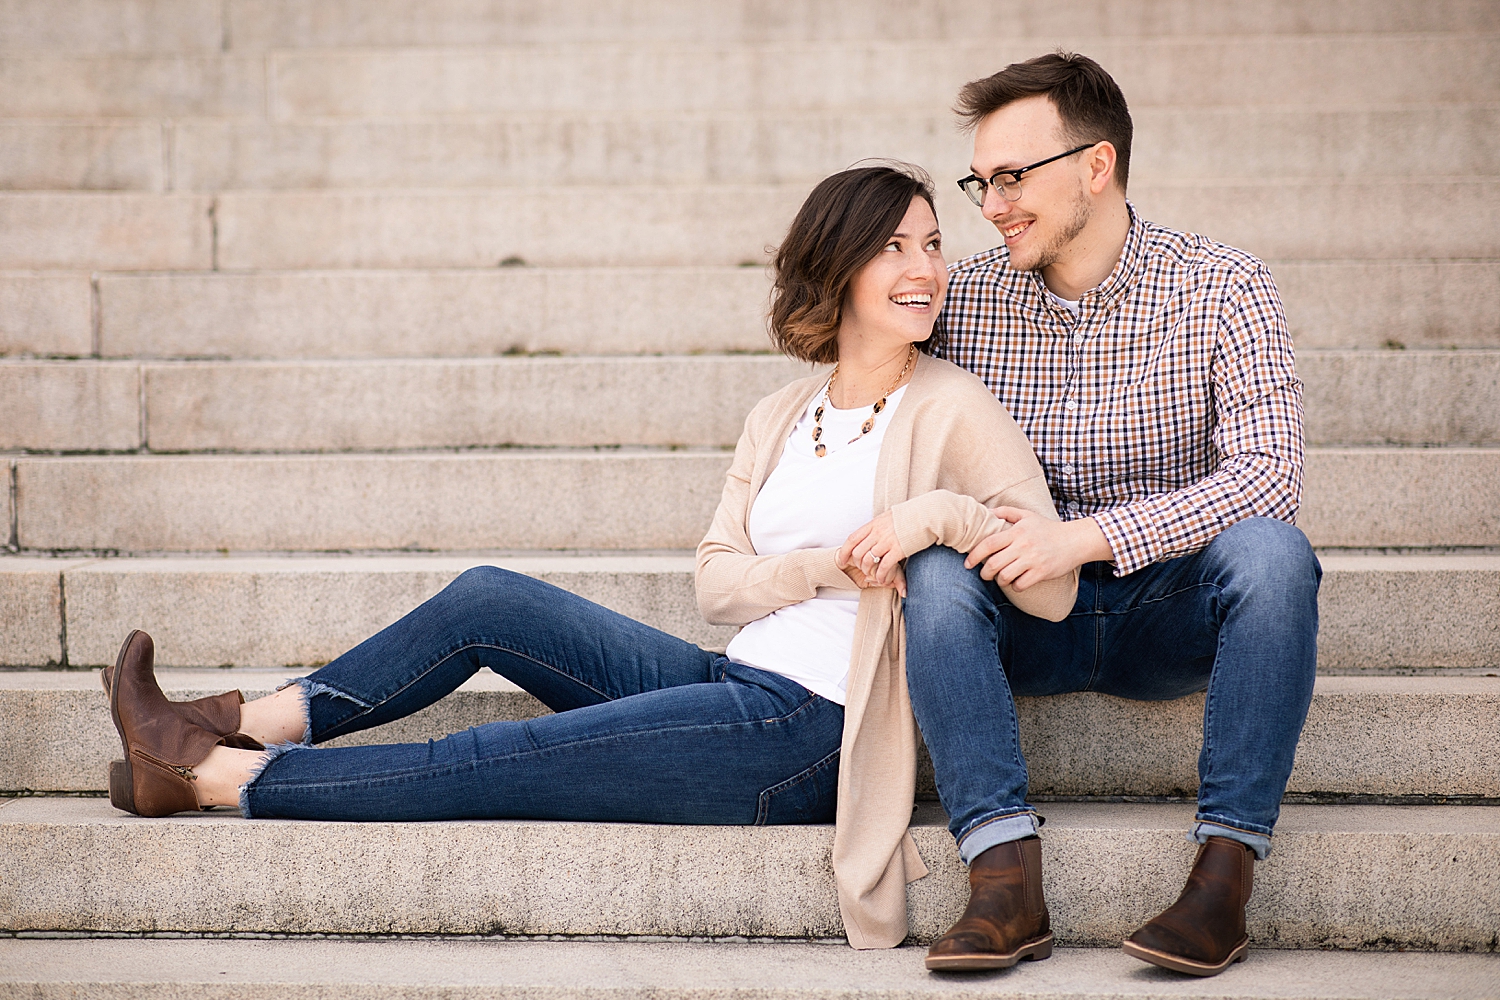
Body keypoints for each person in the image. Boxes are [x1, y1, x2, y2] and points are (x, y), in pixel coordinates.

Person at [101, 164, 1077, 952]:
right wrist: (829, 565)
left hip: (808, 736)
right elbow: (715, 584)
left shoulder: (952, 405)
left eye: (935, 244)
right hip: (731, 678)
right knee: (487, 599)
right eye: (896, 246)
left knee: (496, 755)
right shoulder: (781, 416)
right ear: (839, 270)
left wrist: (936, 515)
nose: (927, 267)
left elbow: (1055, 585)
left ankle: (211, 776)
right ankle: (237, 718)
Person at [904, 52, 1319, 977]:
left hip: (1163, 608)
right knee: (931, 573)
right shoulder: (963, 298)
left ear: (1097, 166)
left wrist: (1086, 538)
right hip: (1020, 609)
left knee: (1274, 557)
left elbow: (1269, 476)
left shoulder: (1223, 285)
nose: (993, 202)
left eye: (1014, 176)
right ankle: (1003, 878)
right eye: (982, 181)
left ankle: (1223, 881)